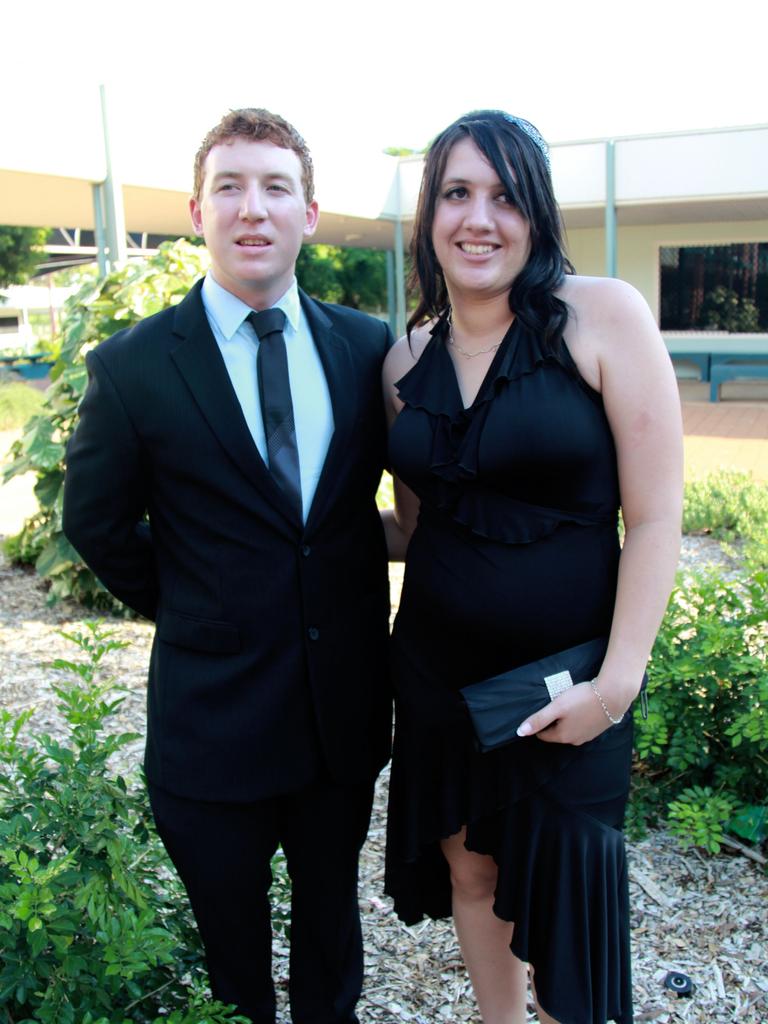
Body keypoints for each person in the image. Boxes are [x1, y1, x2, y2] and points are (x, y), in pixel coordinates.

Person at [63, 108, 393, 1024]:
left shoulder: (369, 351)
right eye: (231, 188)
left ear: (311, 213)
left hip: (340, 723)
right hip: (213, 726)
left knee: (334, 940)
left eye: (276, 187)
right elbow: (92, 519)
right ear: (197, 211)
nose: (254, 209)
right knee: (232, 964)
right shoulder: (133, 366)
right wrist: (196, 601)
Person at [381, 110, 683, 1024]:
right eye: (457, 194)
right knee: (471, 867)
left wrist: (615, 685)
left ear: (537, 213)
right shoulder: (405, 357)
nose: (480, 218)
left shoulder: (603, 314)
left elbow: (659, 514)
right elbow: (421, 520)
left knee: (570, 900)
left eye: (505, 195)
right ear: (430, 214)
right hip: (437, 674)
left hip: (569, 679)